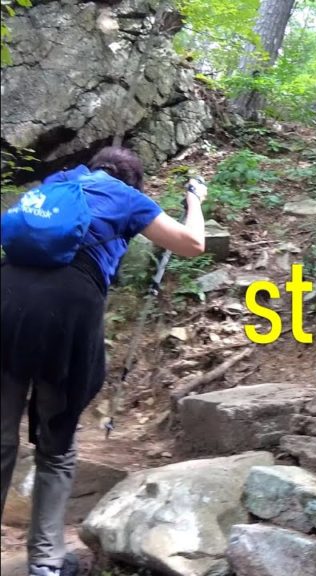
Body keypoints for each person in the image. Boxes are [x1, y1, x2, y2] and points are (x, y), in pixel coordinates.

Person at [0, 147, 208, 576]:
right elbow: (192, 244)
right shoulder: (127, 197)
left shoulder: (57, 184)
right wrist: (195, 202)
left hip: (5, 295)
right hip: (68, 310)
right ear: (134, 180)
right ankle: (45, 563)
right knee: (56, 446)